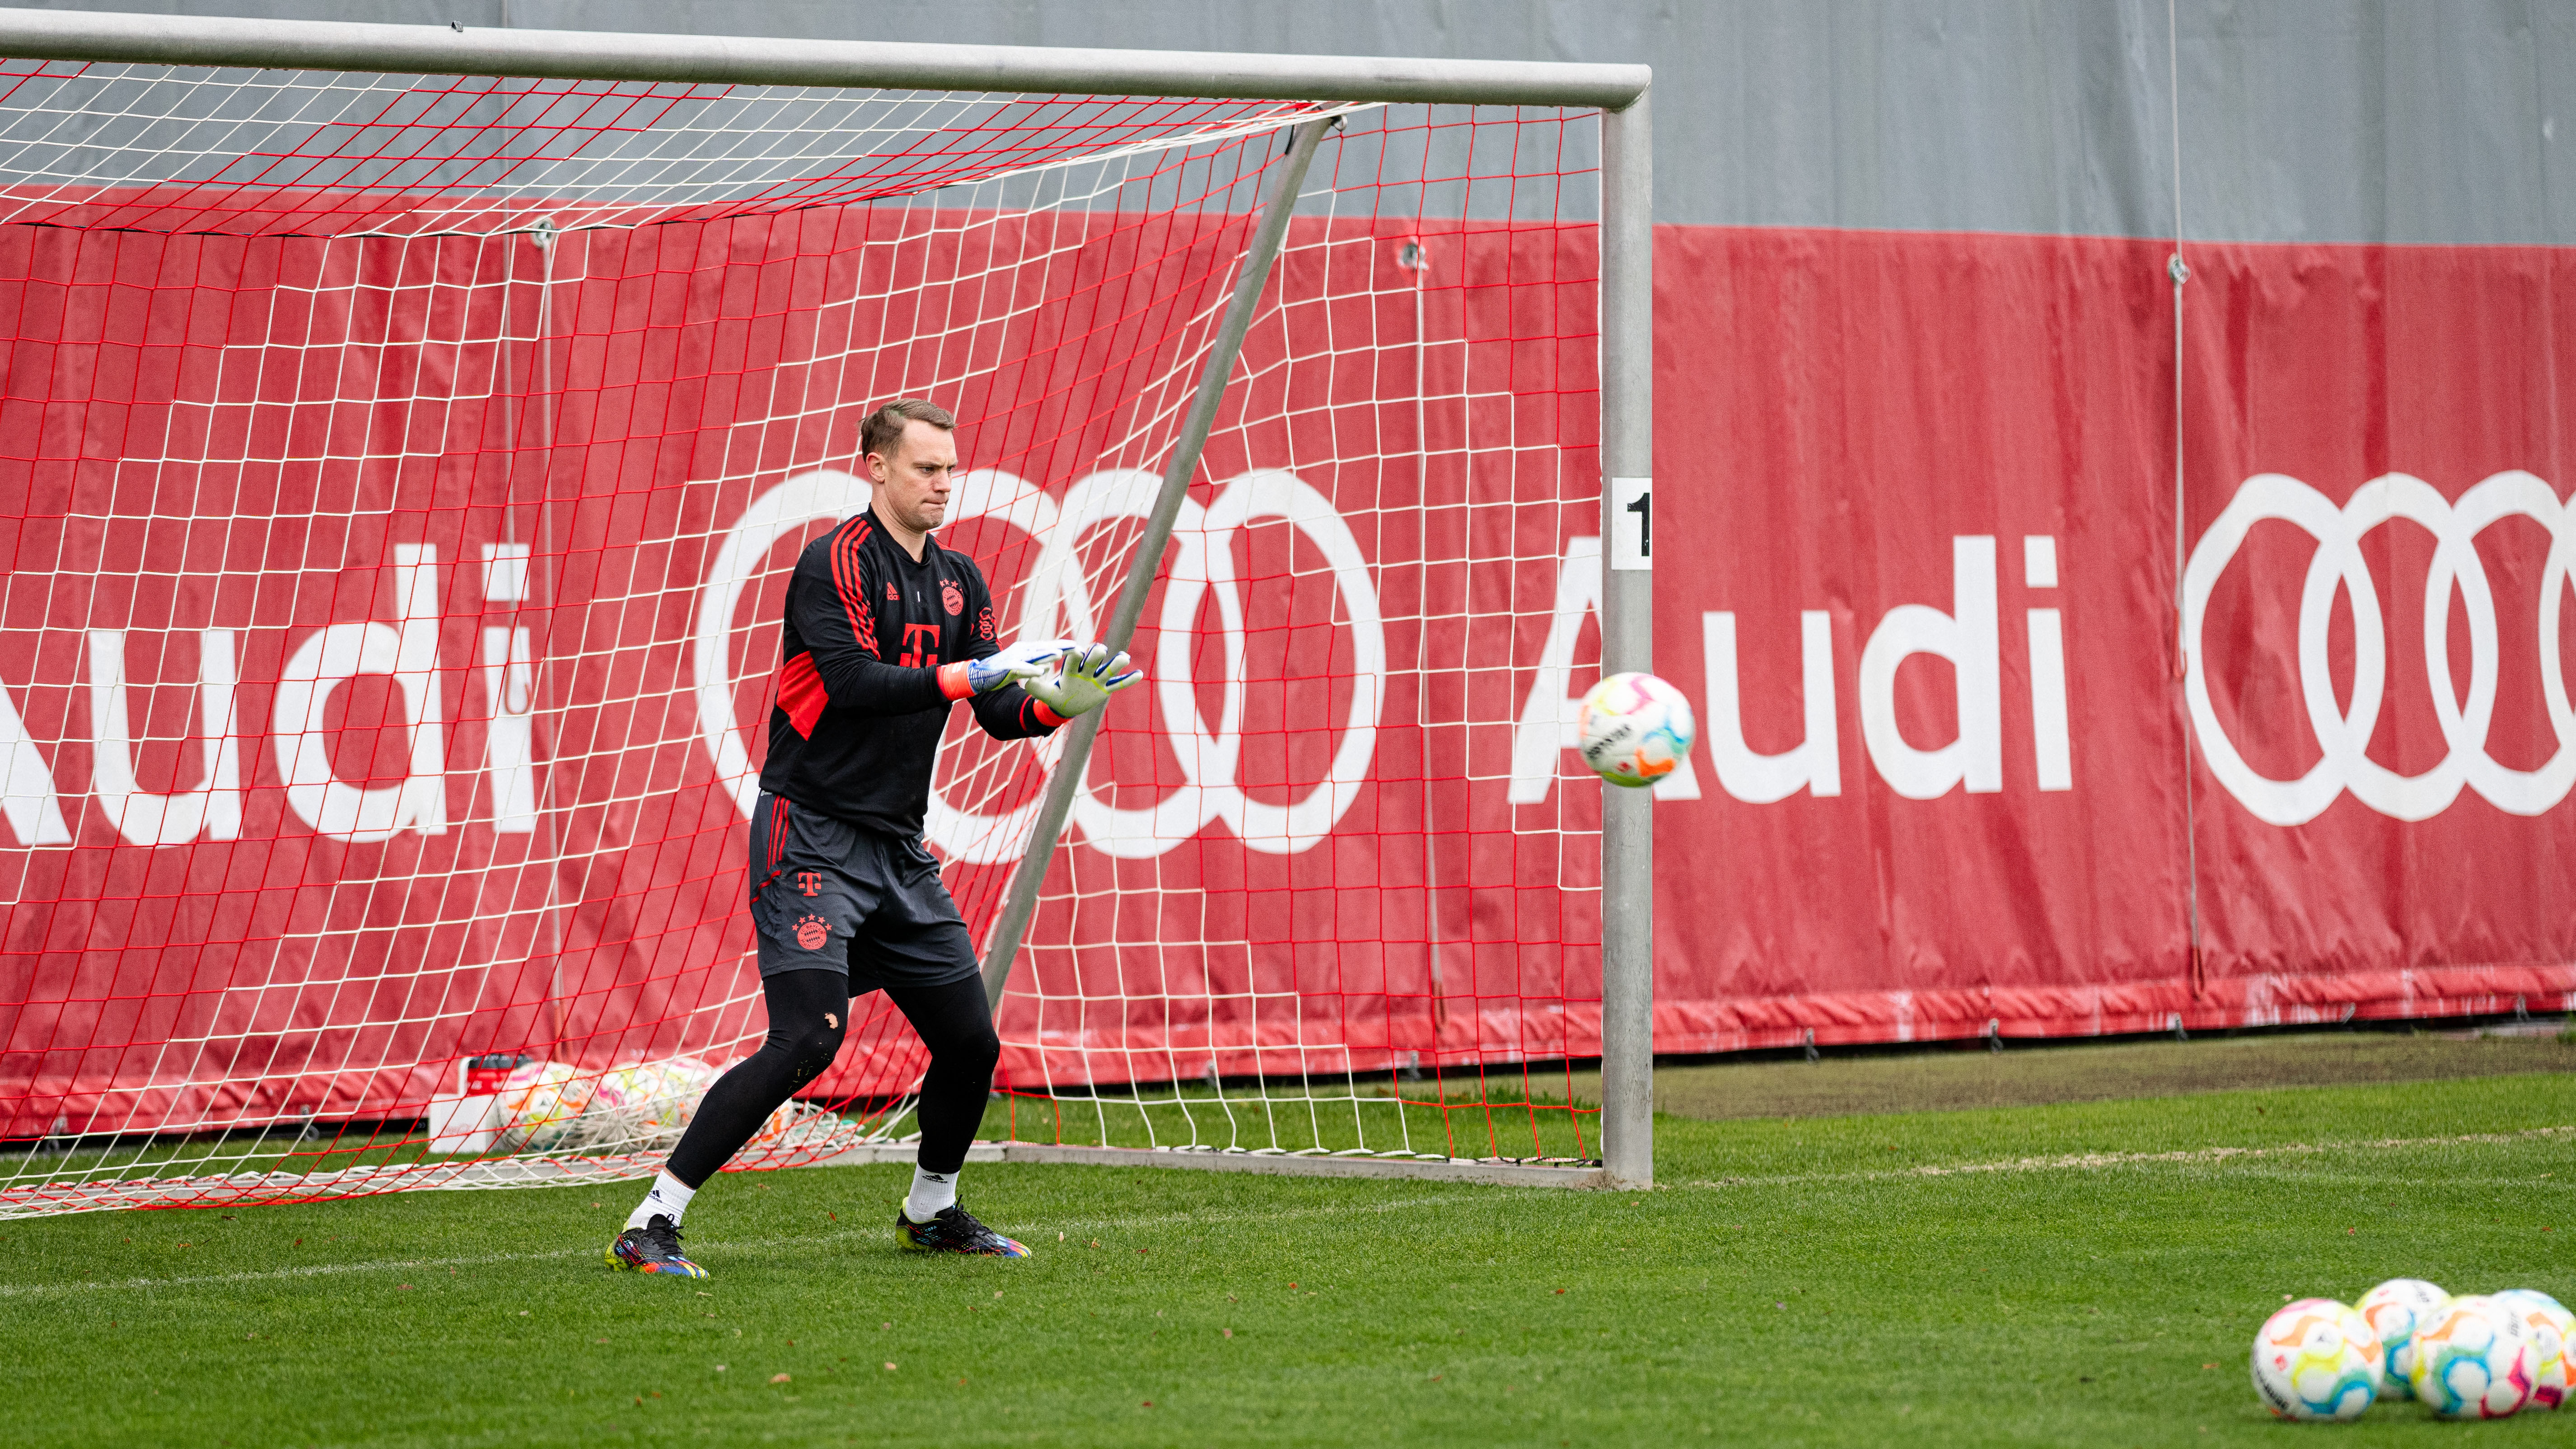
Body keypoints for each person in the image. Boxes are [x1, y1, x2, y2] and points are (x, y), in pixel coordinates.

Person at [607, 397, 1137, 1279]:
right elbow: (854, 682)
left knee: (970, 1040)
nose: (941, 483)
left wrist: (1051, 706)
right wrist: (973, 674)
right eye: (924, 467)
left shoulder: (962, 577)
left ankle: (930, 1208)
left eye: (948, 468)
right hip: (811, 833)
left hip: (896, 847)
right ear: (875, 466)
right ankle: (651, 1221)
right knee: (809, 1038)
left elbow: (995, 706)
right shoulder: (835, 563)